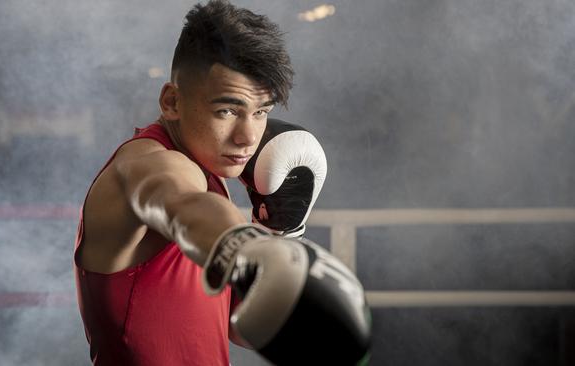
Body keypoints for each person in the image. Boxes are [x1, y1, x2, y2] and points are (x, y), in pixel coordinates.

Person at [74, 1, 370, 365]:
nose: (247, 137)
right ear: (172, 102)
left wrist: (280, 232)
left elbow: (237, 328)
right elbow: (180, 205)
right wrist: (246, 248)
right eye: (227, 111)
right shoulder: (145, 167)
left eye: (261, 112)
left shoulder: (208, 166)